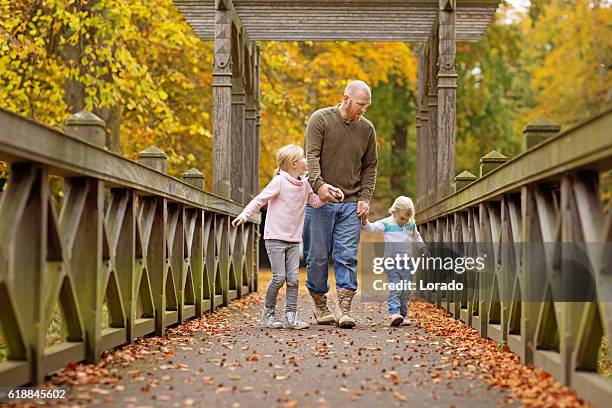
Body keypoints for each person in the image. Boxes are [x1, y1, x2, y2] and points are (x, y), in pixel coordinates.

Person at [232, 144, 343, 329]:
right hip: (274, 237)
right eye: (303, 158)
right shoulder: (279, 182)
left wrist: (329, 196)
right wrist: (244, 216)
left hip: (293, 239)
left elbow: (315, 202)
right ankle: (268, 313)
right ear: (293, 163)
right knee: (279, 277)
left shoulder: (305, 184)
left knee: (293, 279)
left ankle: (291, 317)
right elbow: (260, 200)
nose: (307, 161)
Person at [303, 80, 378, 328]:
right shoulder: (320, 119)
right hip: (320, 201)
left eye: (366, 106)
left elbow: (370, 167)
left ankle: (344, 308)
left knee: (346, 256)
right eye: (360, 105)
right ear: (346, 99)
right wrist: (319, 186)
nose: (363, 110)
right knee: (317, 256)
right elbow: (311, 156)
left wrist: (366, 198)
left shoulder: (367, 129)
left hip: (350, 202)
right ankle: (320, 303)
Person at [362, 196, 427, 327]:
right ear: (394, 211)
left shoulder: (410, 224)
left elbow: (417, 237)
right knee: (397, 287)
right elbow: (372, 228)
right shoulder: (388, 223)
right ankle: (394, 313)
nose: (404, 221)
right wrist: (364, 222)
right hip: (391, 262)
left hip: (407, 263)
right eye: (402, 218)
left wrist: (423, 248)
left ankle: (402, 316)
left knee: (406, 290)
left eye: (407, 219)